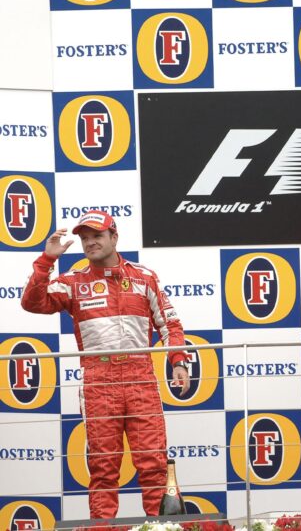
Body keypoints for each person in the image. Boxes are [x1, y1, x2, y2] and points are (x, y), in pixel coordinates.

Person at [21, 210, 190, 519]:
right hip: (99, 381)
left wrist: (178, 360)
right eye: (85, 238)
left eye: (97, 236)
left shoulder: (144, 277)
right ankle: (103, 528)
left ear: (114, 237)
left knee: (153, 464)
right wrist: (46, 260)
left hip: (140, 376)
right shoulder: (72, 282)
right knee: (103, 468)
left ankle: (164, 527)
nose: (90, 243)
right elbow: (33, 303)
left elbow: (171, 325)